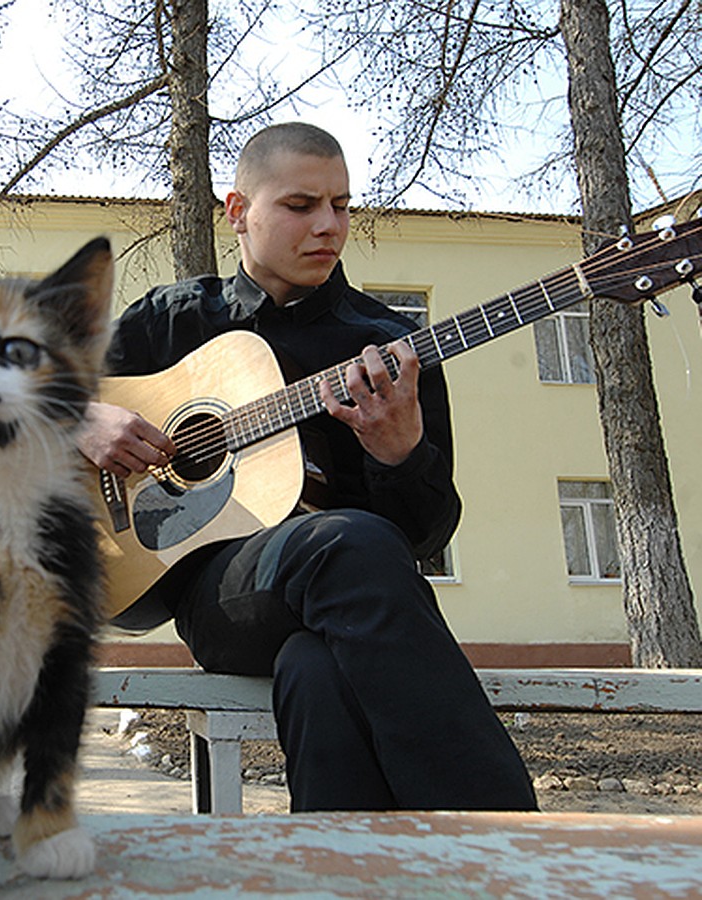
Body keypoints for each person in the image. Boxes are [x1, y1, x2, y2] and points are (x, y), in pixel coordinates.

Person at [79, 123, 537, 811]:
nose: (329, 225)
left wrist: (400, 454)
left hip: (352, 606)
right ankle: (507, 846)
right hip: (220, 599)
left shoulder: (391, 348)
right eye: (301, 205)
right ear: (238, 211)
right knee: (349, 541)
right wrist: (81, 418)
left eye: (343, 206)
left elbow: (423, 537)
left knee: (314, 668)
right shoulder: (172, 322)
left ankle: (341, 873)